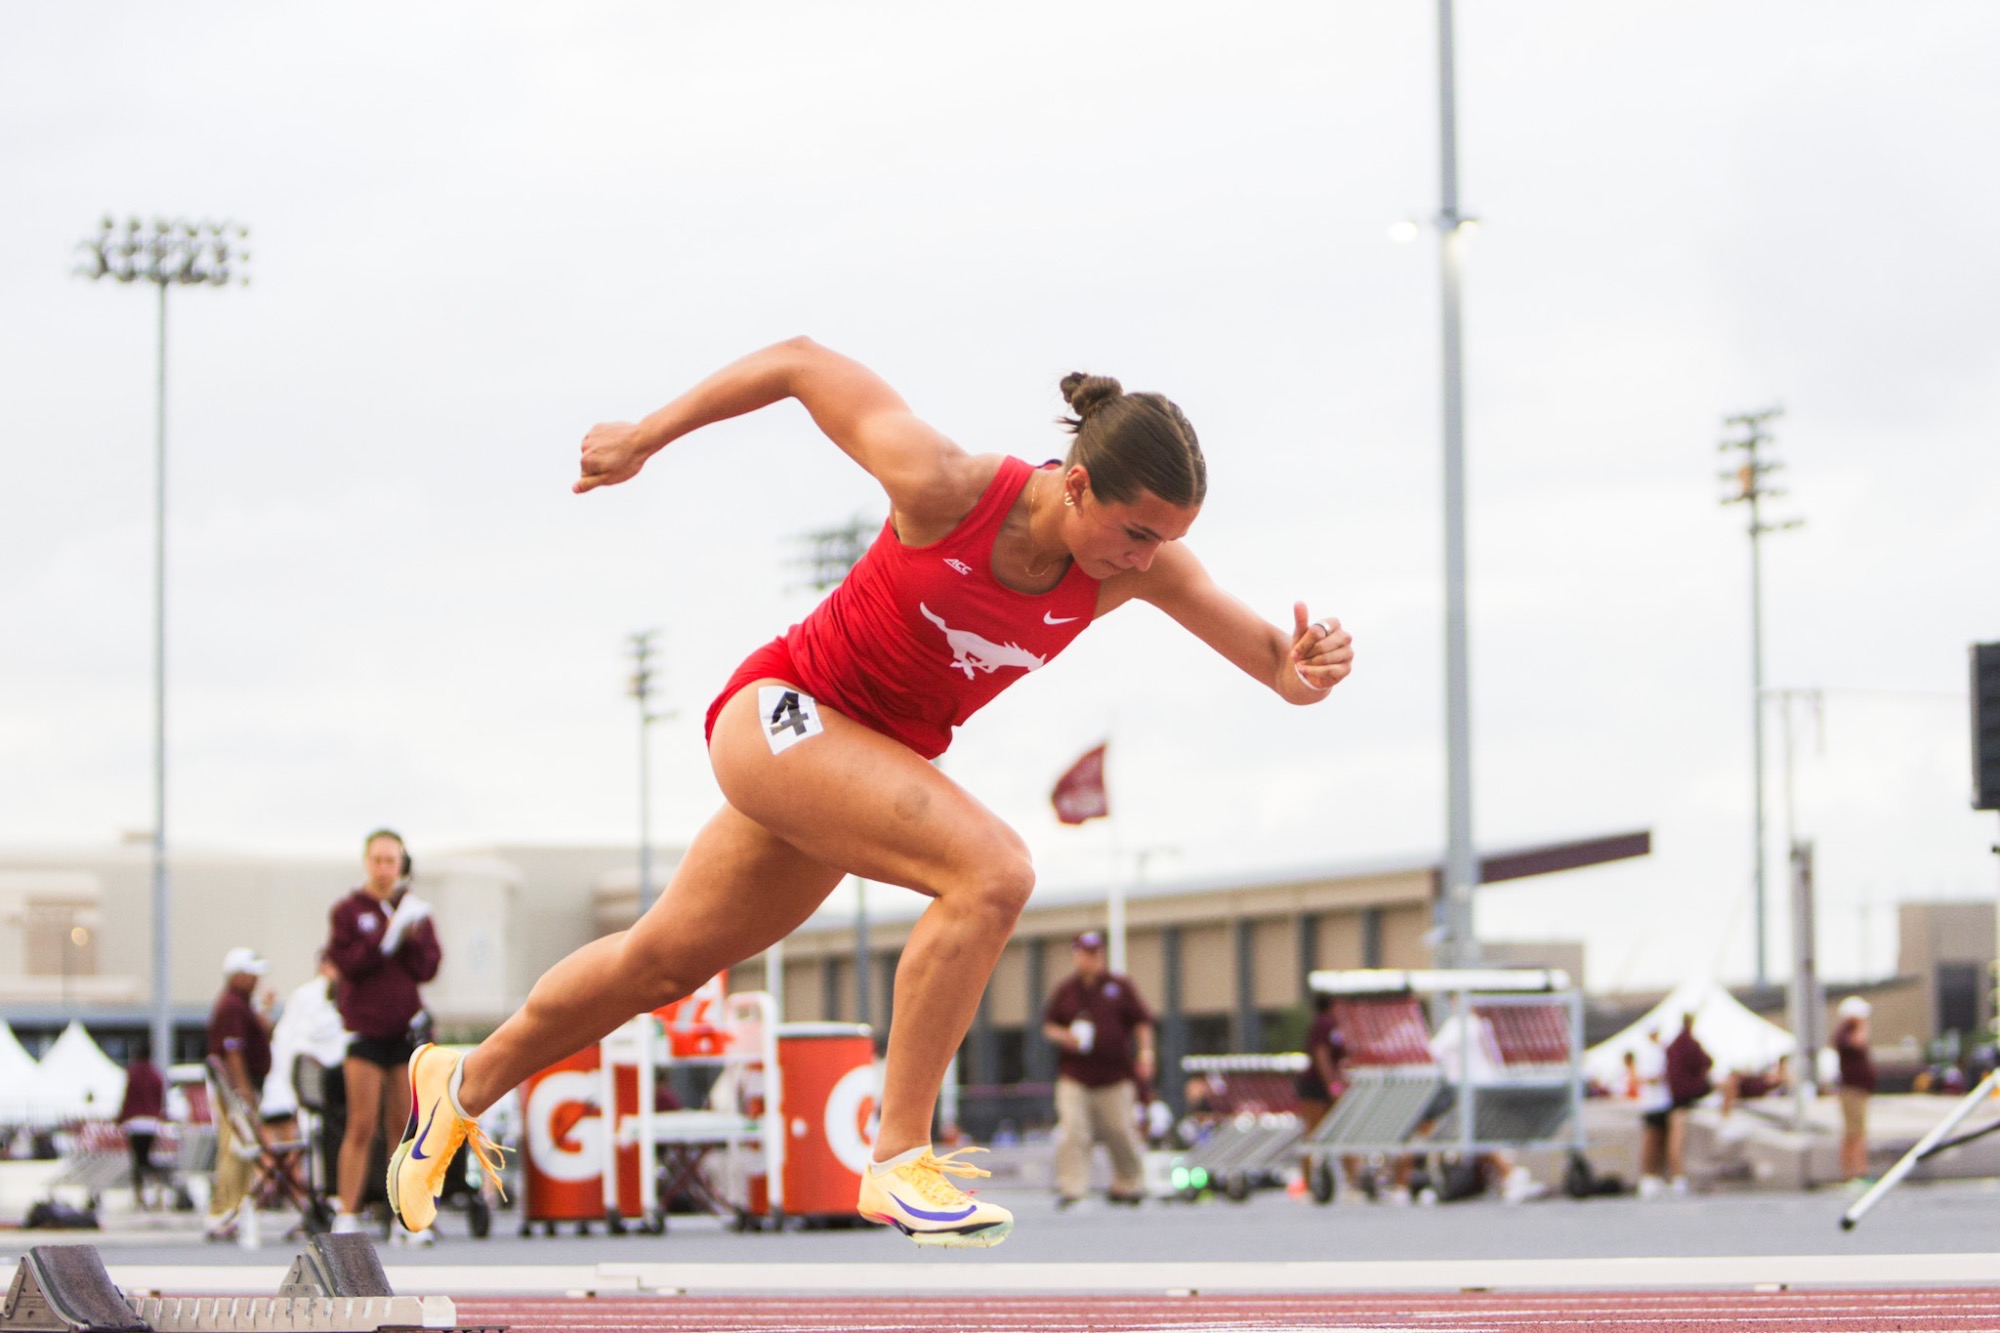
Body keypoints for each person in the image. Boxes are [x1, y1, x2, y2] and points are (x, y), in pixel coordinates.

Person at [385, 338, 1354, 1249]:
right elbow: (801, 363)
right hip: (781, 716)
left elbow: (1273, 659)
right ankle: (896, 1155)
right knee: (991, 872)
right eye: (1135, 531)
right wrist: (644, 435)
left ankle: (460, 1081)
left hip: (857, 767)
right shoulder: (947, 486)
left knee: (659, 962)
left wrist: (1304, 670)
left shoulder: (1131, 571)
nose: (1145, 559)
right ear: (1076, 482)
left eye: (1165, 542)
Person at [326, 829, 440, 1238]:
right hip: (365, 1031)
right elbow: (347, 962)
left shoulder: (414, 910)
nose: (384, 868)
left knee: (402, 1125)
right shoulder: (349, 910)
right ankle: (347, 1212)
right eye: (377, 860)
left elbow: (428, 966)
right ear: (366, 862)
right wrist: (383, 938)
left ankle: (404, 1215)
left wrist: (408, 939)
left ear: (401, 863)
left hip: (403, 1031)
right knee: (361, 1123)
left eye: (391, 861)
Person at [1041, 929, 1156, 1208]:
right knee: (1073, 1130)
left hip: (1115, 1075)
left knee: (1120, 1129)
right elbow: (1049, 1026)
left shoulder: (1119, 986)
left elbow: (1141, 1021)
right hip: (1075, 1075)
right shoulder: (1066, 990)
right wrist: (1065, 1037)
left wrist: (1146, 1053)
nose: (1091, 959)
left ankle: (1130, 1183)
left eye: (1096, 954)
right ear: (1075, 955)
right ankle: (1073, 1187)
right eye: (1085, 953)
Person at [205, 946, 274, 1239]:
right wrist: (244, 1091)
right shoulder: (233, 1005)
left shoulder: (241, 1005)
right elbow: (233, 1051)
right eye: (251, 975)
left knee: (242, 1149)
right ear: (239, 976)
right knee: (234, 1147)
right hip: (235, 1089)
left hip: (240, 1087)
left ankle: (234, 1206)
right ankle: (223, 1209)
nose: (256, 981)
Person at [1663, 1011, 1712, 1196]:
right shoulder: (1689, 1044)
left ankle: (1676, 1177)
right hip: (1684, 1097)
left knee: (1674, 1139)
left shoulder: (1673, 1045)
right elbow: (1706, 1061)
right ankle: (1678, 1176)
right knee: (1677, 1138)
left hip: (1674, 1096)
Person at [116, 1040, 166, 1211]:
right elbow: (160, 1099)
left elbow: (127, 1097)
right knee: (147, 1158)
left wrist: (120, 1118)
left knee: (137, 1160)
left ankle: (139, 1196)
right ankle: (157, 1186)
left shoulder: (133, 1073)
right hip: (151, 1122)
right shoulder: (156, 1074)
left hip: (135, 1122)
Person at [1832, 995, 1876, 1183]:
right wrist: (1861, 1026)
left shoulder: (1847, 1032)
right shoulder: (1845, 1034)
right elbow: (1858, 1042)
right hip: (1852, 1091)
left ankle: (1858, 1171)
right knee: (1854, 1132)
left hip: (1859, 1089)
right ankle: (1854, 1173)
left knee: (1859, 1132)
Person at [1632, 1029, 1672, 1199]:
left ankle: (1657, 1175)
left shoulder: (1661, 1050)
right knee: (1651, 1139)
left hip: (1664, 1101)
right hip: (1652, 1103)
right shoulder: (1645, 1052)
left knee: (1662, 1140)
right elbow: (1644, 1078)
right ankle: (1647, 1176)